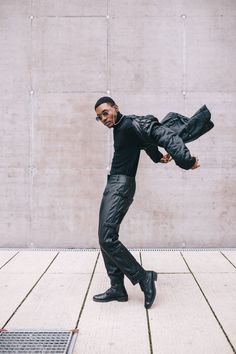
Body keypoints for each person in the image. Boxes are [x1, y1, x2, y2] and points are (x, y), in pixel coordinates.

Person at [92, 96, 213, 309]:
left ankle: (143, 277)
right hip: (113, 184)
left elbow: (165, 136)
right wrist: (157, 157)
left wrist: (187, 160)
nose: (103, 119)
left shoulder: (132, 123)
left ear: (115, 108)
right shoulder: (123, 128)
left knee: (107, 237)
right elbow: (143, 142)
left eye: (105, 113)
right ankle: (117, 288)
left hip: (121, 187)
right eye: (99, 117)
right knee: (104, 237)